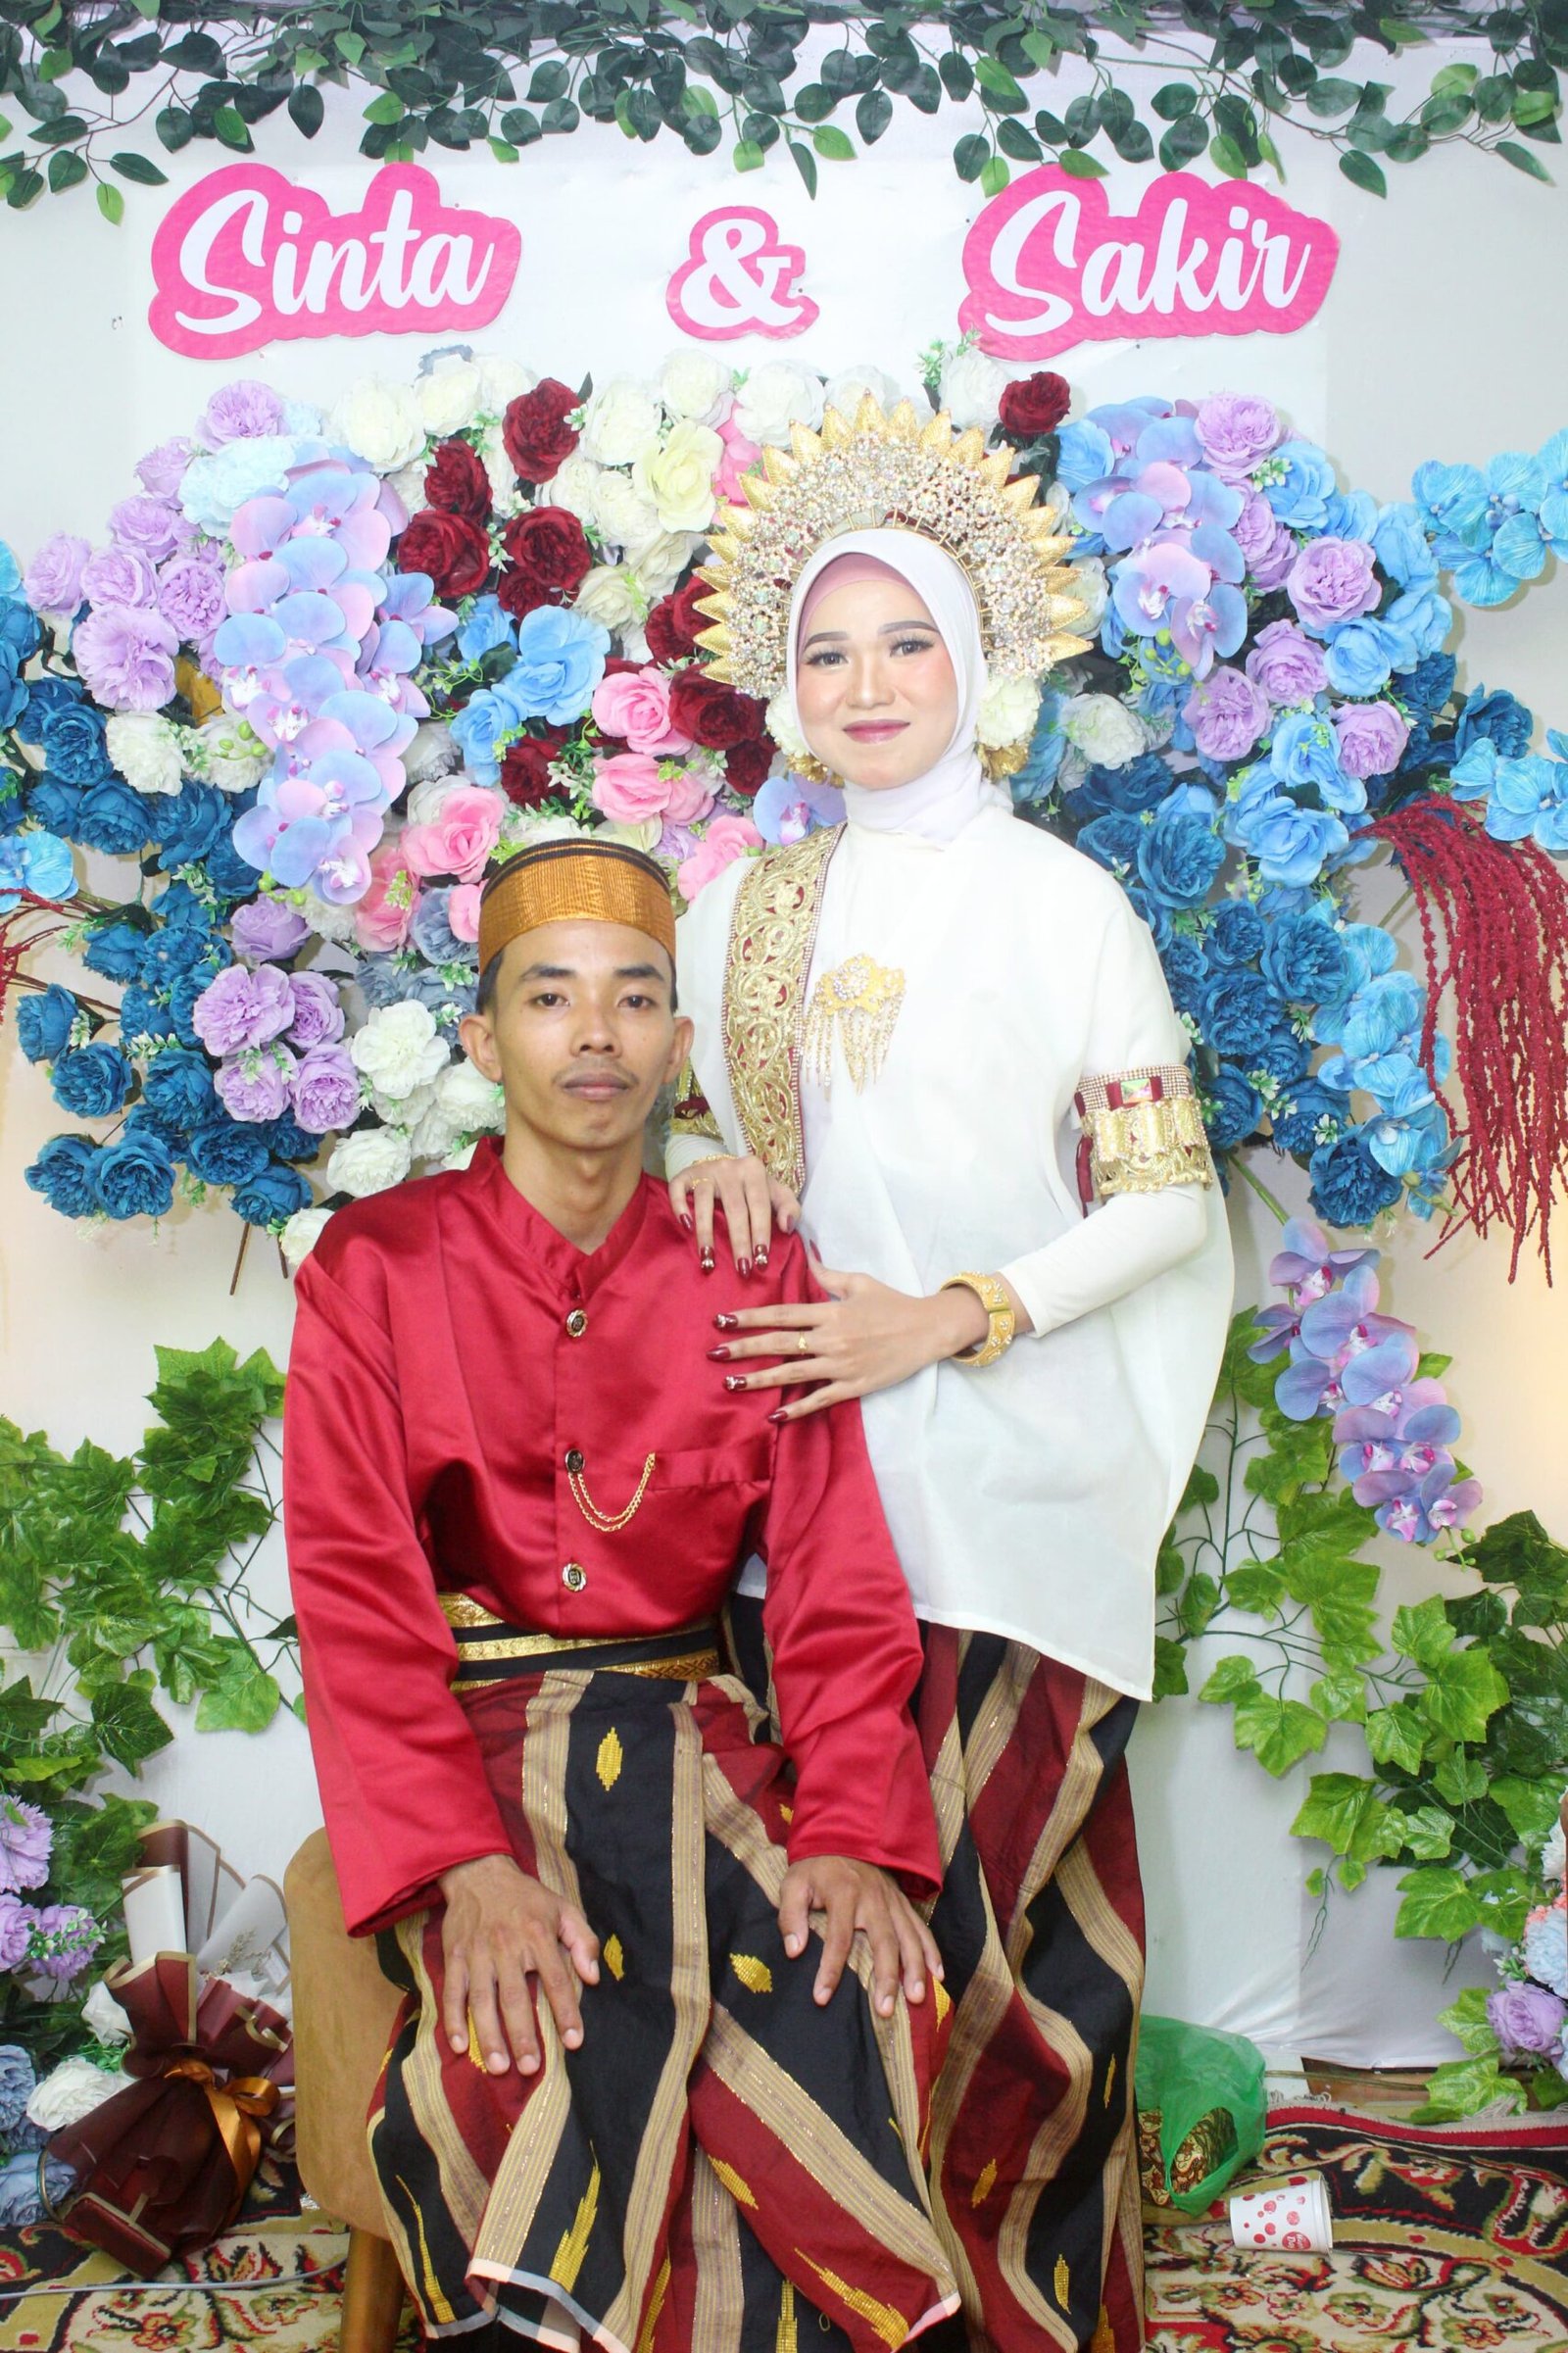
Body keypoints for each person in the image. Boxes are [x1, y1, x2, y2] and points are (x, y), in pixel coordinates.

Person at [665, 405, 1235, 2353]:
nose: (867, 684)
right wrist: (700, 1157)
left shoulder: (1060, 900)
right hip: (793, 1509)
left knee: (990, 1975)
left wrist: (950, 1313)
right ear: (783, 688)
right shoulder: (738, 910)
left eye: (904, 642)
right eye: (826, 651)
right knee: (808, 1956)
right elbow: (690, 1153)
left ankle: (1017, 2316)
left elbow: (1163, 1203)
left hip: (1005, 1496)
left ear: (976, 660)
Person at [283, 836, 961, 2353]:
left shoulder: (749, 1265)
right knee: (530, 2017)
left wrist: (852, 1829)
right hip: (475, 1753)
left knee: (840, 1986)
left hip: (695, 1741)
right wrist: (467, 1869)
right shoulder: (376, 1265)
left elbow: (837, 1578)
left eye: (634, 997)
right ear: (482, 1040)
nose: (595, 1033)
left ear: (676, 1042)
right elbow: (352, 1597)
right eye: (549, 996)